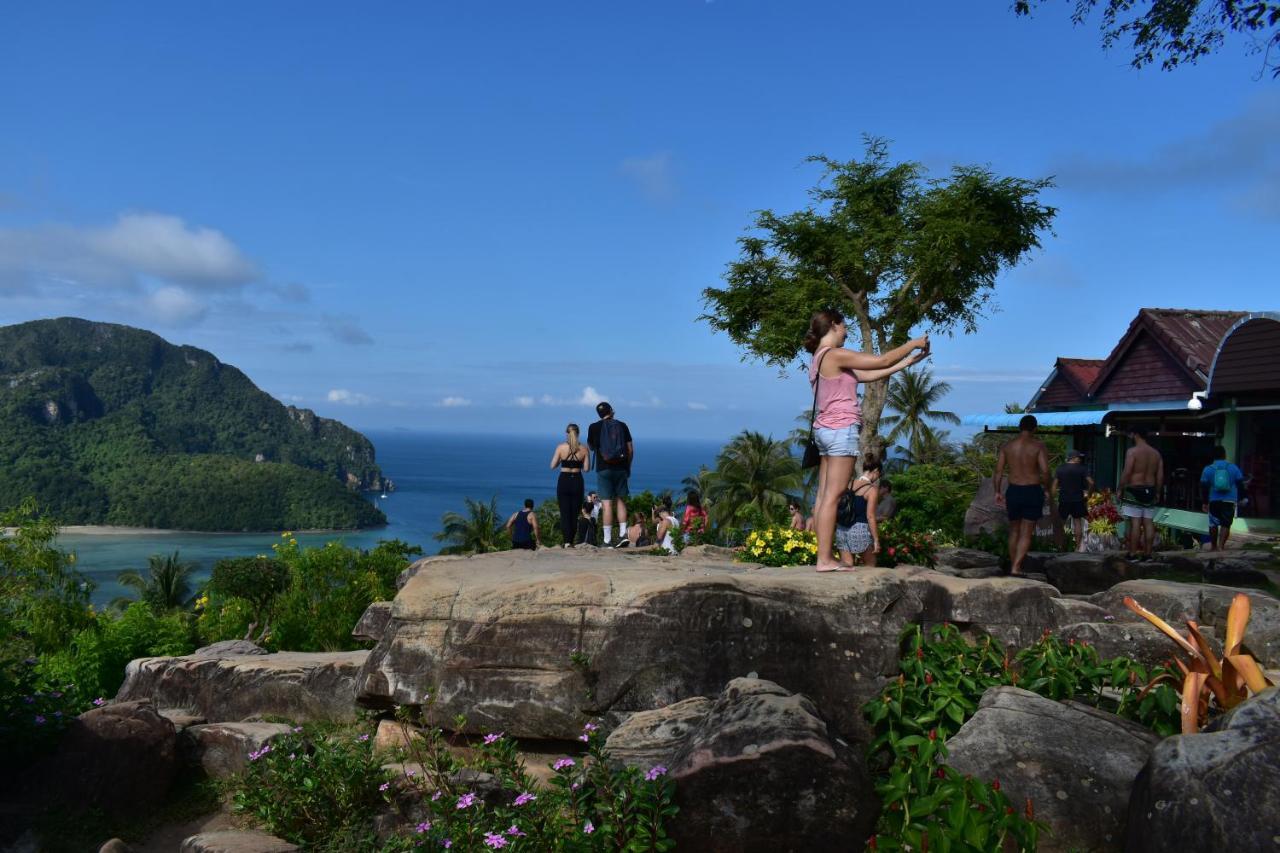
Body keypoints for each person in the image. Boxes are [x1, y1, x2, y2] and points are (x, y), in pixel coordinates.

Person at [805, 308, 929, 573]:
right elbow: (881, 361)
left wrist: (908, 362)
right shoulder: (835, 354)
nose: (847, 331)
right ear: (835, 325)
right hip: (840, 431)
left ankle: (823, 557)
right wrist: (912, 343)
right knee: (833, 495)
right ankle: (824, 559)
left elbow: (871, 374)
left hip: (825, 431)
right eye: (844, 326)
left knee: (824, 494)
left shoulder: (819, 359)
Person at [994, 414, 1049, 576]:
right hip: (1032, 490)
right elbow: (1045, 471)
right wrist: (1046, 489)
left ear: (1020, 428)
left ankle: (1014, 566)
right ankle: (1016, 567)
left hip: (1013, 490)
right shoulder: (1038, 446)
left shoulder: (1007, 446)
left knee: (1014, 530)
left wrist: (997, 491)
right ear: (1034, 428)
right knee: (1026, 532)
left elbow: (998, 472)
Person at [587, 401, 634, 548]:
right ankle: (622, 535)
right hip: (621, 468)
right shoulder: (622, 425)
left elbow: (591, 447)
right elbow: (630, 450)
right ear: (611, 411)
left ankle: (607, 541)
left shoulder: (593, 427)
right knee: (620, 501)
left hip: (603, 469)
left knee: (606, 504)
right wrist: (627, 467)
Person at [1119, 427, 1164, 560]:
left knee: (1135, 522)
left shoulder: (1132, 452)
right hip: (1150, 489)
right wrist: (1158, 491)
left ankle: (1133, 553)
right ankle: (1148, 553)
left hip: (1134, 489)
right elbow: (1160, 475)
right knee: (1149, 522)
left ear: (1136, 434)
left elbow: (1127, 471)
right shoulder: (1156, 454)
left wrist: (1120, 487)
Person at [836, 454, 882, 569]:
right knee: (870, 566)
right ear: (876, 471)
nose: (878, 477)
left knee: (847, 565)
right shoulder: (871, 490)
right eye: (879, 474)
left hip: (842, 529)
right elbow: (870, 516)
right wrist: (876, 540)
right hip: (859, 530)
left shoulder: (848, 483)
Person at [549, 423, 590, 547]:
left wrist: (563, 460)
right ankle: (571, 541)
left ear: (567, 433)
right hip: (577, 481)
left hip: (564, 481)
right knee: (574, 513)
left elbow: (552, 466)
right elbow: (587, 469)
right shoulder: (584, 449)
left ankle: (566, 541)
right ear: (578, 434)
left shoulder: (560, 447)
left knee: (565, 512)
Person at [1201, 445, 1246, 551]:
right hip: (1229, 500)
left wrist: (1204, 502)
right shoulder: (1233, 467)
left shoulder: (1208, 469)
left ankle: (1213, 546)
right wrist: (1243, 498)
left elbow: (1203, 487)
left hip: (1214, 500)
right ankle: (1221, 546)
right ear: (1224, 455)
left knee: (1213, 523)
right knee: (1226, 524)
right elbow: (1240, 484)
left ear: (1213, 456)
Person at [1053, 449, 1094, 552]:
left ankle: (1060, 547)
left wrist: (1051, 499)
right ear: (1074, 458)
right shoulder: (1082, 469)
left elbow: (1054, 485)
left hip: (1064, 499)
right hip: (1078, 499)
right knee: (1077, 522)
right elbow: (1092, 483)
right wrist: (1089, 494)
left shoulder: (1060, 469)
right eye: (1078, 457)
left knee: (1060, 524)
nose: (1080, 459)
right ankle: (1077, 548)